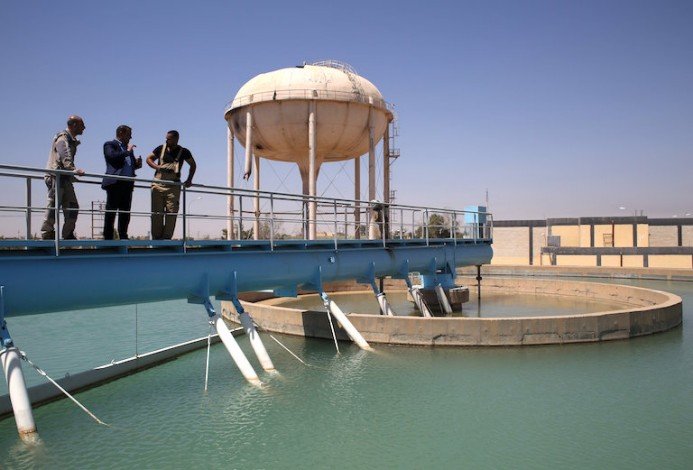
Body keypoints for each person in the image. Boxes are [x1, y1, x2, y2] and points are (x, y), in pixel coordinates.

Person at [40, 115, 86, 240]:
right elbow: (63, 153)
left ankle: (68, 233)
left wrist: (71, 172)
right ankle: (47, 233)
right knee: (54, 204)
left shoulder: (71, 140)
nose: (84, 128)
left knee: (72, 206)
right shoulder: (63, 137)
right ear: (74, 125)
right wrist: (73, 170)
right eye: (82, 125)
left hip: (65, 177)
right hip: (56, 176)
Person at [146, 130, 196, 239]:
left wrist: (189, 180)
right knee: (156, 214)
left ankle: (166, 240)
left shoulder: (184, 151)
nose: (166, 140)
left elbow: (193, 164)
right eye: (166, 138)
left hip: (173, 187)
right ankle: (156, 240)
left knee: (171, 213)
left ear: (176, 139)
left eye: (169, 139)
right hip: (158, 184)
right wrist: (157, 167)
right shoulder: (160, 148)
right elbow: (148, 158)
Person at [102, 125, 142, 240]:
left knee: (125, 212)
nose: (130, 137)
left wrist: (137, 164)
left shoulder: (127, 148)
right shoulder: (110, 144)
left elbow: (129, 164)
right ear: (121, 133)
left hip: (128, 184)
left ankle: (123, 236)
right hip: (115, 183)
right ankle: (108, 237)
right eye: (129, 134)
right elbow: (112, 157)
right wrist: (127, 151)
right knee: (111, 211)